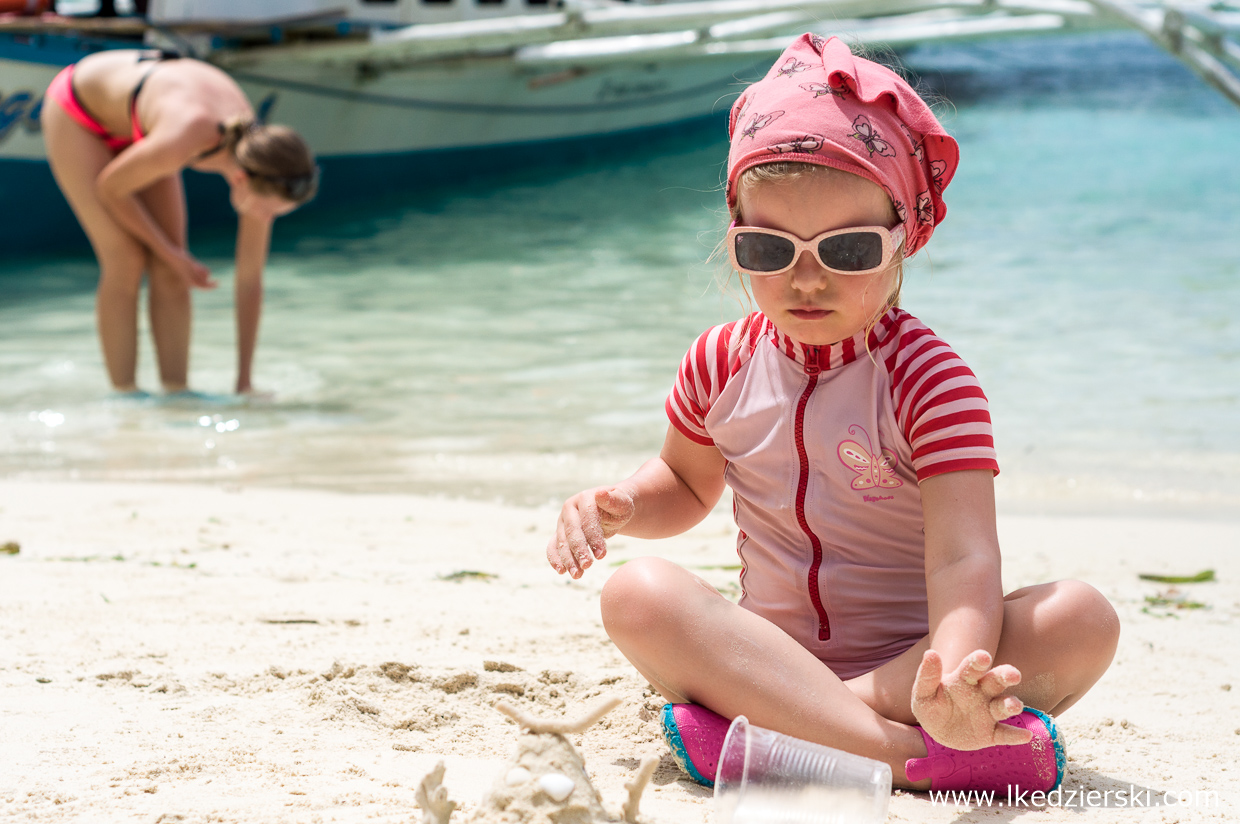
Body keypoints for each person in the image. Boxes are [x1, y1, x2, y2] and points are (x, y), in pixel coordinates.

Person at [546, 34, 1119, 794]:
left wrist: (948, 679)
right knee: (637, 593)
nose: (805, 280)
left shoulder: (929, 380)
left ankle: (784, 738)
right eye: (767, 249)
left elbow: (965, 561)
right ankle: (907, 759)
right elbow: (683, 488)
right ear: (734, 241)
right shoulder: (719, 364)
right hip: (768, 658)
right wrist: (619, 506)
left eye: (846, 251)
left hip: (912, 663)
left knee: (1082, 618)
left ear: (899, 244)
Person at [41, 49, 318, 396]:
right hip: (80, 113)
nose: (265, 219)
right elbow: (110, 188)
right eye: (266, 211)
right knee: (126, 259)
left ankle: (177, 394)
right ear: (240, 180)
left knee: (173, 271)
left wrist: (244, 382)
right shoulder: (187, 136)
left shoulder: (264, 162)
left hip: (143, 126)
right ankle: (125, 397)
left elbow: (250, 280)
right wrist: (171, 252)